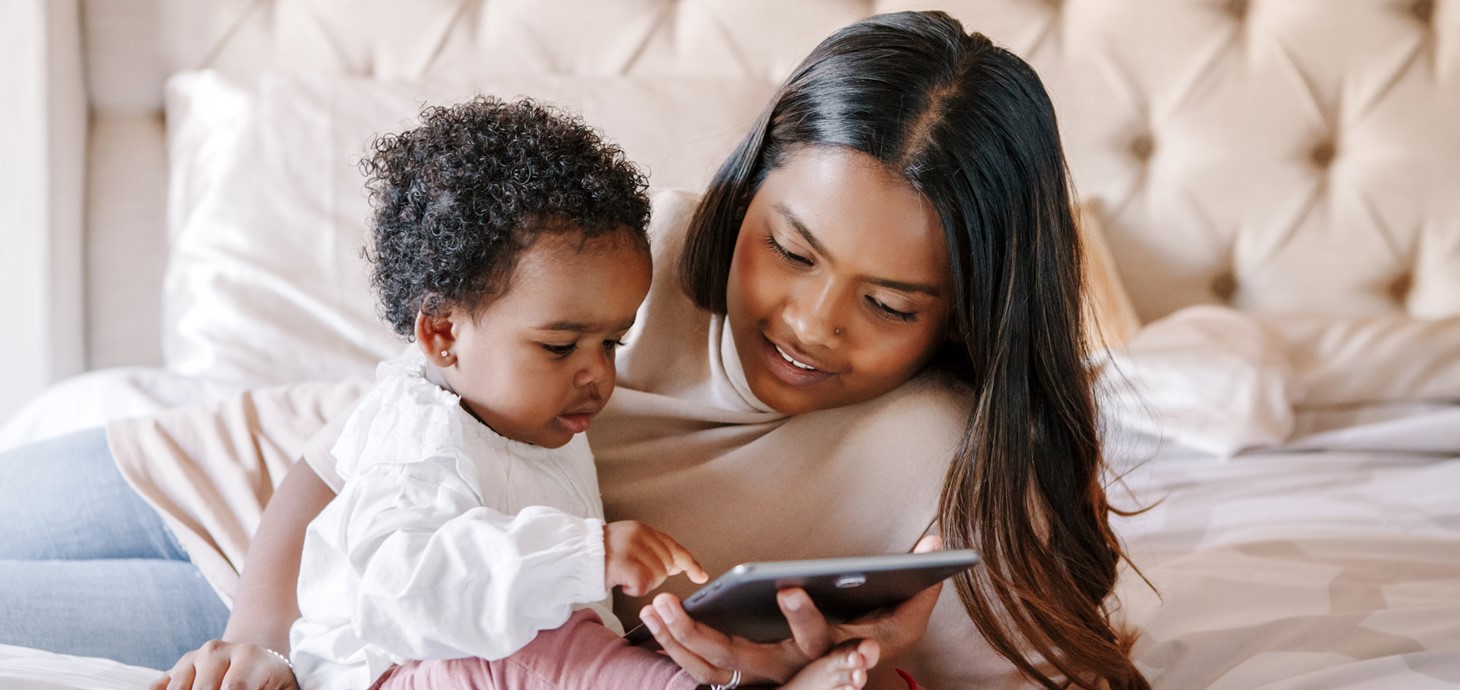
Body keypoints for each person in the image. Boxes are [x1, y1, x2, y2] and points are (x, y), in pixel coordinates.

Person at [0, 10, 1146, 690]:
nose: (807, 322)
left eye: (889, 304)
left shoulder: (951, 462)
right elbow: (350, 453)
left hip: (381, 616)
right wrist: (257, 646)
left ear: (968, 310)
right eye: (788, 250)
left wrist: (845, 655)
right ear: (749, 192)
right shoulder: (640, 253)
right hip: (272, 496)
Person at [280, 95, 878, 690]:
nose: (598, 376)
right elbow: (399, 595)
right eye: (561, 347)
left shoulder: (534, 417)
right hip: (393, 672)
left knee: (587, 645)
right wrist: (581, 556)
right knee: (553, 648)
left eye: (613, 343)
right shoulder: (416, 438)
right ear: (442, 333)